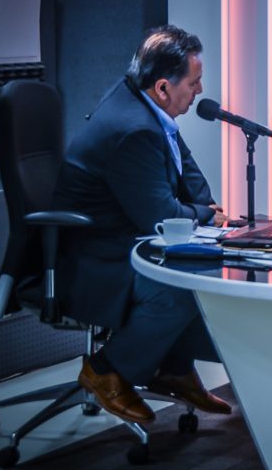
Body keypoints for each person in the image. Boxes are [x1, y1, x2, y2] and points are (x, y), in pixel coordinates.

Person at [53, 25, 231, 425]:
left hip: (122, 240)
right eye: (195, 82)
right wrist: (205, 214)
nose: (200, 90)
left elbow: (193, 183)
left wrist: (202, 208)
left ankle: (174, 369)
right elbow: (162, 218)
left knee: (202, 269)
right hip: (94, 257)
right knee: (181, 289)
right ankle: (105, 369)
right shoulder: (133, 129)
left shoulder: (144, 105)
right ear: (164, 87)